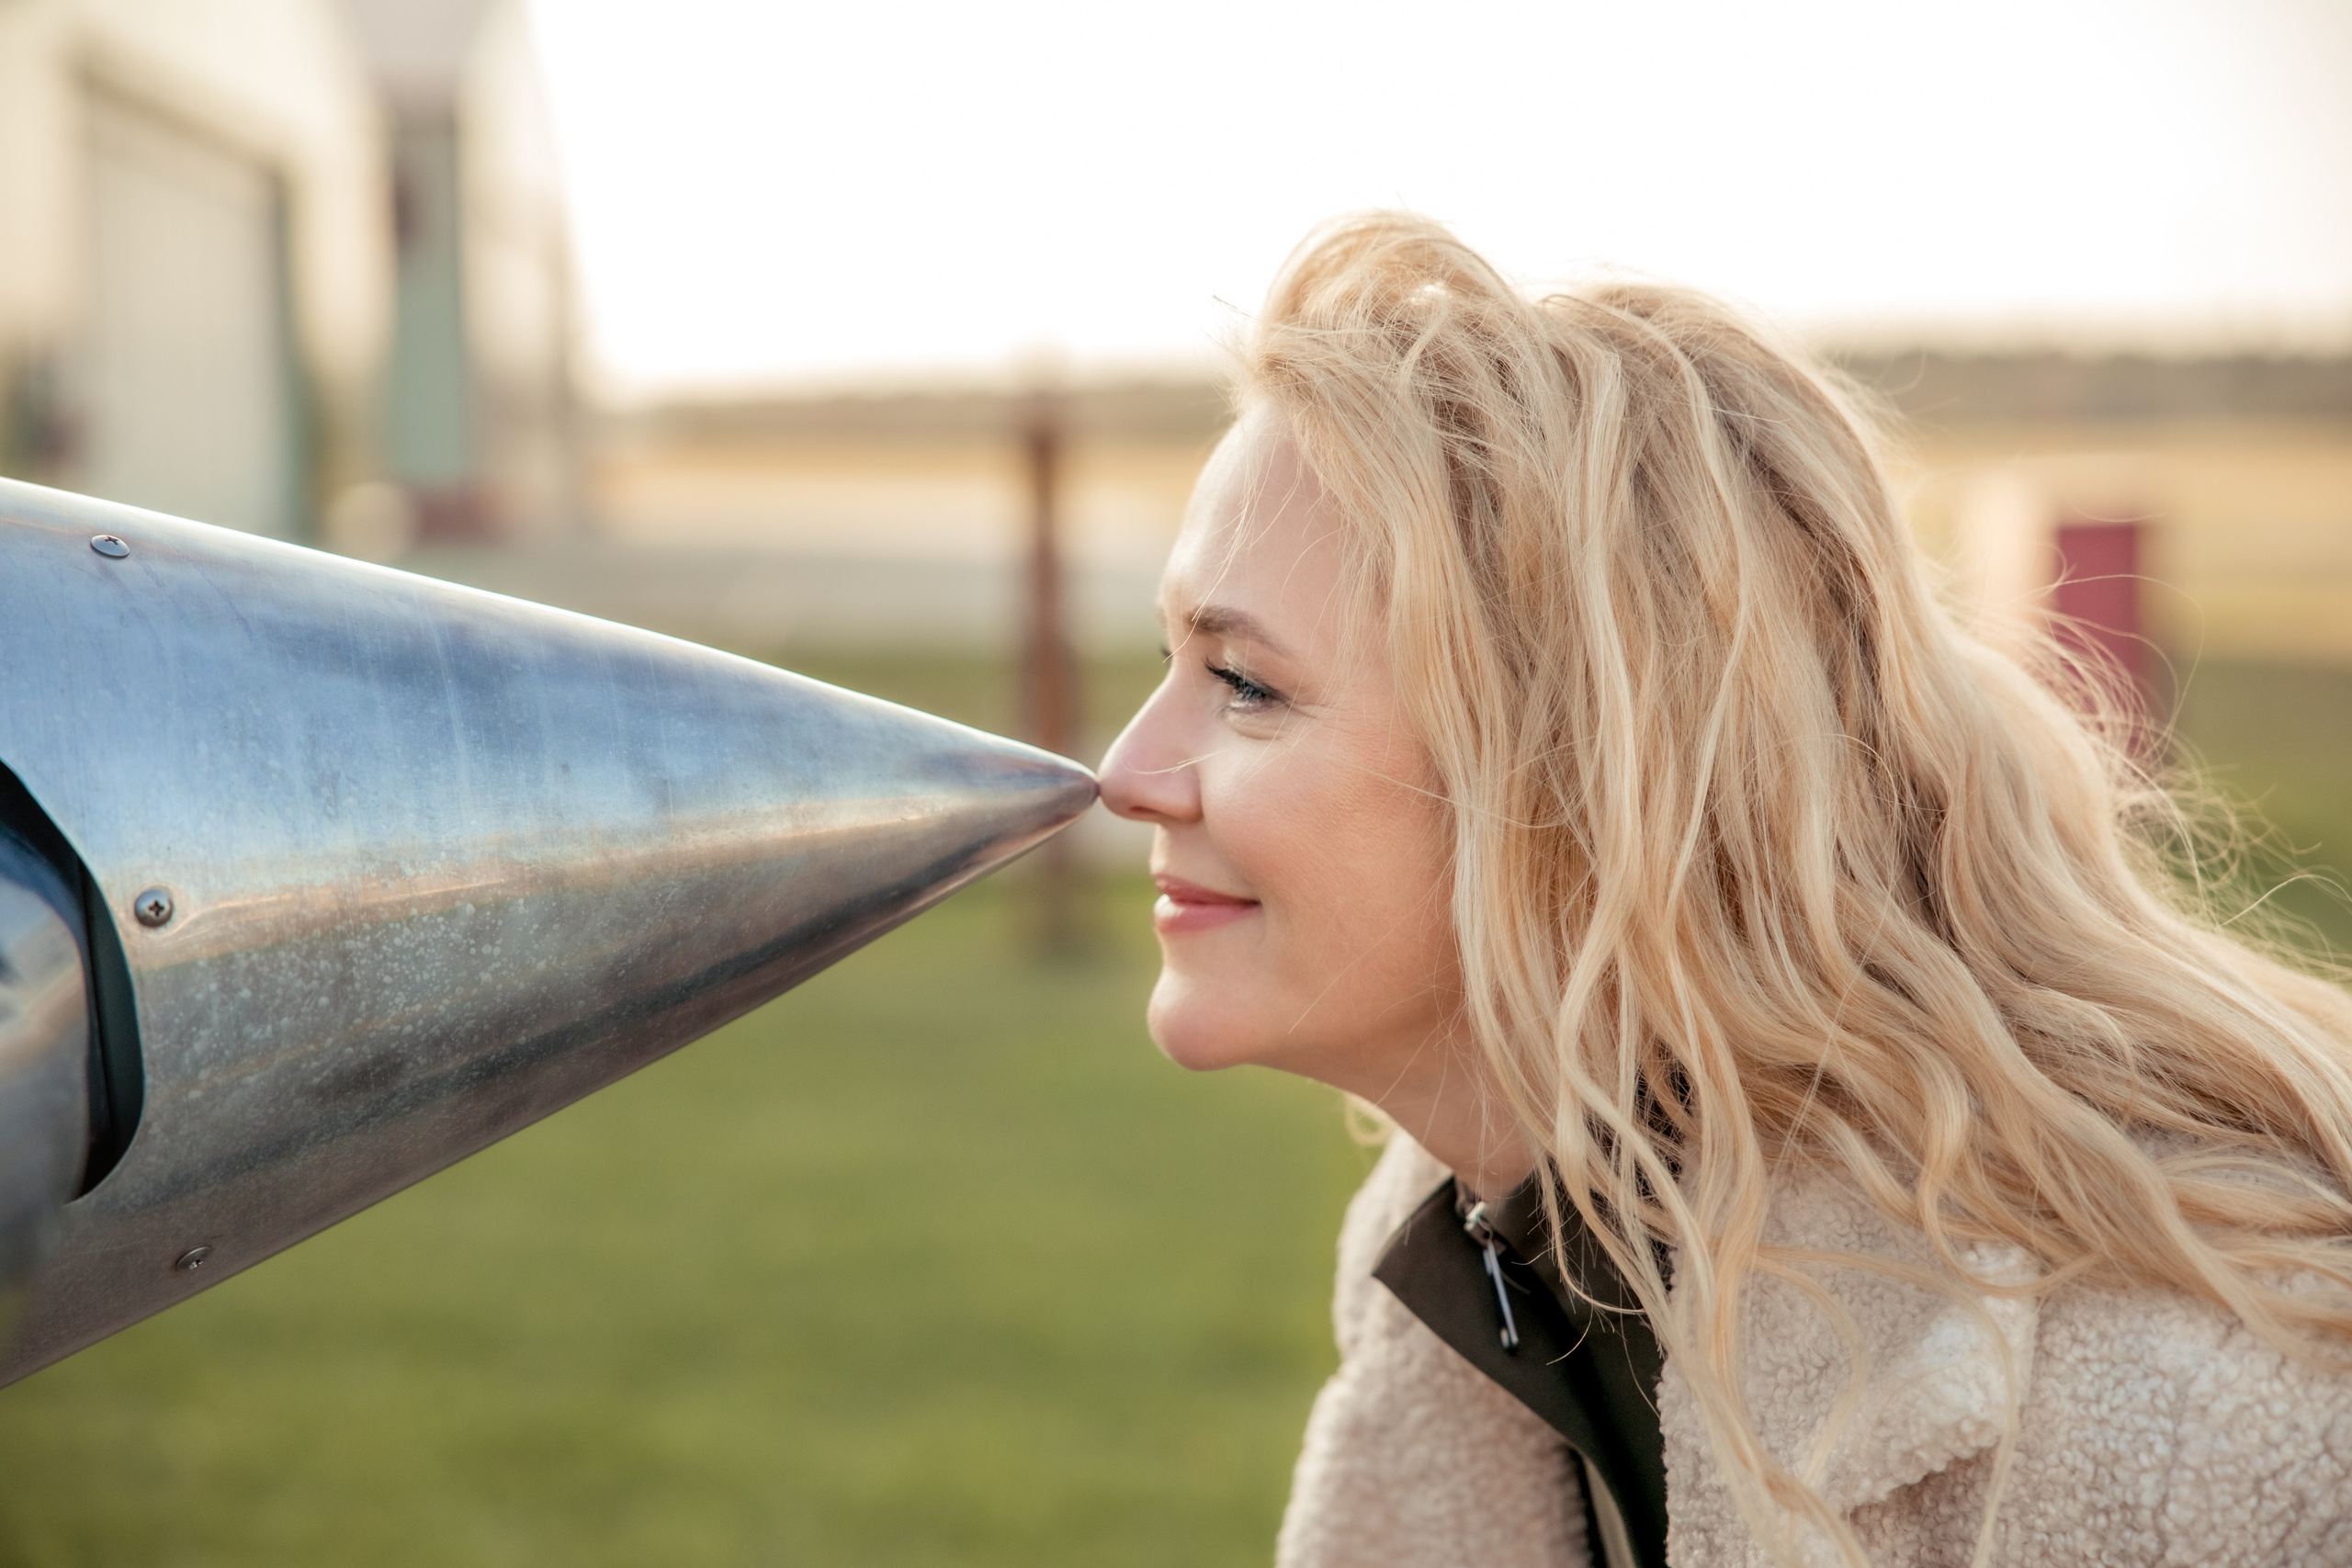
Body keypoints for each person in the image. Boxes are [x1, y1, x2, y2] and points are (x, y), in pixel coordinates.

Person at [1098, 214, 2352, 1568]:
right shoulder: (1481, 1281)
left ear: (1583, 775)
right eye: (1175, 662)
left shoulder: (2206, 1434)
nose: (1124, 773)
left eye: (1245, 683)